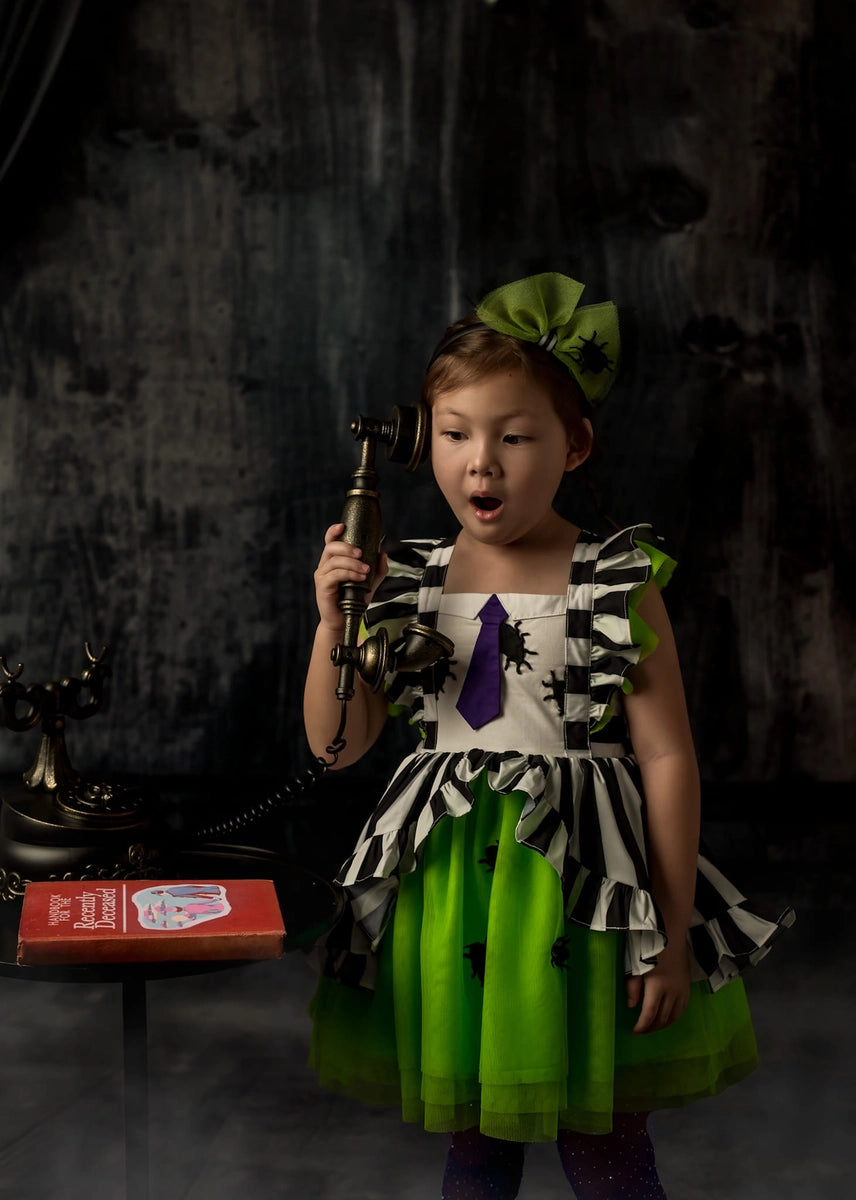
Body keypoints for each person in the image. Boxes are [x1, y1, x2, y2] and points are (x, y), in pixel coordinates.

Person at [302, 273, 793, 1199]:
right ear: (426, 443)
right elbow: (341, 744)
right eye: (454, 436)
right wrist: (334, 626)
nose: (481, 464)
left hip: (587, 898)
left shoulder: (615, 579)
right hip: (453, 903)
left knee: (604, 1146)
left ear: (574, 446)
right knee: (478, 1145)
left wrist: (671, 928)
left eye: (514, 437)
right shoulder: (406, 578)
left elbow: (667, 755)